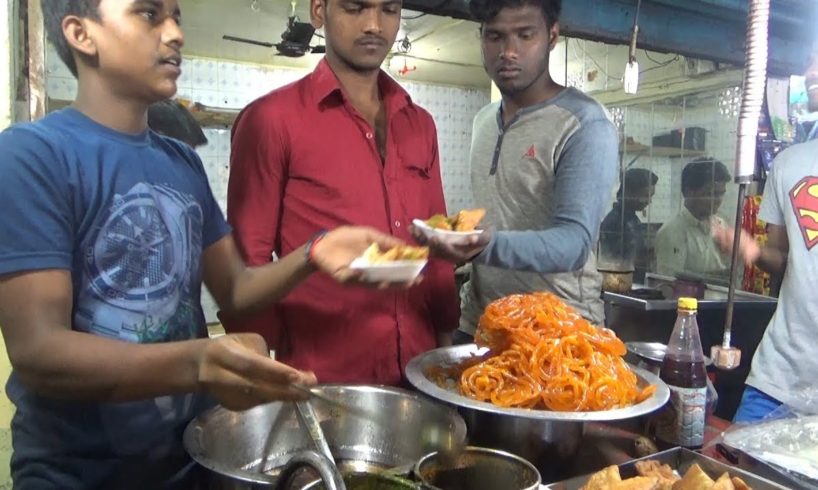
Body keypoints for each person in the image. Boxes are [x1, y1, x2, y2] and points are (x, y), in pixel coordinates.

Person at [0, 1, 409, 487]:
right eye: (149, 14)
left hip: (190, 457)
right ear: (81, 34)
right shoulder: (30, 155)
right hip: (76, 472)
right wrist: (200, 361)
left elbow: (235, 289)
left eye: (177, 17)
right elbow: (39, 352)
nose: (174, 33)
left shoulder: (181, 163)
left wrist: (313, 254)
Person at [224, 0, 459, 384]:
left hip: (422, 370)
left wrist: (446, 348)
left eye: (389, 10)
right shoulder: (271, 120)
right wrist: (260, 366)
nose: (374, 25)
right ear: (319, 11)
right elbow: (247, 258)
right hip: (322, 380)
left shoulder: (420, 125)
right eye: (355, 7)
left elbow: (438, 244)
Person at [414, 0, 618, 342]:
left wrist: (480, 245)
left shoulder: (584, 124)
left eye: (525, 35)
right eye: (495, 36)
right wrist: (448, 238)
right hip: (481, 325)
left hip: (559, 336)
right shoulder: (483, 122)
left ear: (552, 36)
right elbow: (498, 218)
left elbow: (574, 243)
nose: (508, 51)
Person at [712, 40, 818, 422]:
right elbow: (783, 258)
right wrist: (753, 251)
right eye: (810, 59)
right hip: (778, 379)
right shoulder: (789, 164)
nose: (810, 72)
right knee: (734, 477)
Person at [655, 158, 731, 281]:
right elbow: (669, 283)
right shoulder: (672, 232)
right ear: (688, 192)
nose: (717, 200)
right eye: (710, 194)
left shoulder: (720, 225)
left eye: (721, 194)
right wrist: (719, 277)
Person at [599, 168, 658, 282]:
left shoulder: (632, 220)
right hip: (619, 284)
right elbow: (613, 261)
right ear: (629, 192)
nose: (648, 201)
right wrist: (644, 258)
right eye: (645, 195)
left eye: (650, 196)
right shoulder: (615, 222)